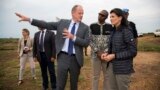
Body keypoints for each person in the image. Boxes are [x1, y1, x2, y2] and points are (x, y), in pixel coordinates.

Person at [15, 4, 89, 90]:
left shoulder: (85, 28)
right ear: (73, 13)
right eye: (79, 13)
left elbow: (86, 43)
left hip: (76, 60)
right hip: (63, 57)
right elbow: (46, 24)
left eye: (82, 13)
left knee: (74, 85)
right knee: (60, 85)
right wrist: (29, 19)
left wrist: (73, 37)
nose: (81, 15)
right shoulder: (62, 23)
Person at [101, 8, 137, 90]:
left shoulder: (126, 31)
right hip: (111, 67)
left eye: (113, 16)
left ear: (120, 17)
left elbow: (133, 51)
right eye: (110, 17)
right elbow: (112, 48)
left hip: (123, 69)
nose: (110, 19)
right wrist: (107, 53)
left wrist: (114, 56)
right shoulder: (113, 31)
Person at [89, 10, 112, 90]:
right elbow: (90, 40)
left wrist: (105, 52)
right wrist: (97, 52)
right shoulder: (92, 26)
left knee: (107, 76)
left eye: (102, 15)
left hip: (106, 56)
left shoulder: (110, 26)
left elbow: (111, 41)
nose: (100, 16)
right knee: (95, 76)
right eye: (99, 14)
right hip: (95, 56)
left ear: (106, 17)